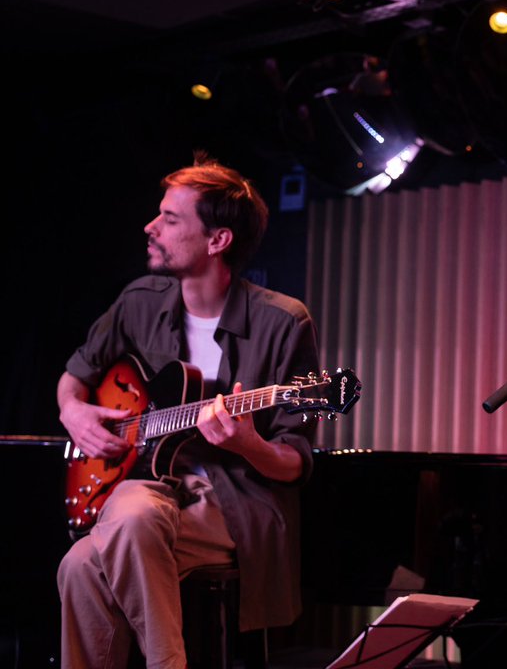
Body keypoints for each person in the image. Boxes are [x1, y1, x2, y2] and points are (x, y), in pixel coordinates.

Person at [56, 156, 320, 669]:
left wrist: (248, 443)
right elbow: (75, 377)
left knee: (129, 514)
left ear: (218, 240)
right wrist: (74, 412)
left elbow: (295, 462)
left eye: (170, 220)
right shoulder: (138, 301)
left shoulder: (284, 321)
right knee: (79, 566)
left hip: (236, 502)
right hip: (148, 491)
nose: (150, 227)